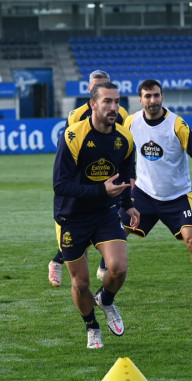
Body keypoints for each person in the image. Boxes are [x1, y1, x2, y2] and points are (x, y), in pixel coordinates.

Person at [120, 79, 192, 309]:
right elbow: (123, 152)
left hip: (177, 196)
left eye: (156, 95)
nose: (153, 100)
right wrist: (127, 180)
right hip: (144, 194)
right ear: (140, 99)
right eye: (148, 96)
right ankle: (106, 286)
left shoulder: (177, 124)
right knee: (116, 232)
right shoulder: (131, 122)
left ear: (162, 97)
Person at [53, 81, 140, 348]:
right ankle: (92, 326)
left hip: (104, 213)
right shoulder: (73, 137)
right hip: (72, 217)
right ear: (93, 104)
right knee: (81, 284)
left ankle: (106, 300)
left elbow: (124, 176)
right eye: (107, 102)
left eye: (117, 102)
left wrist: (127, 204)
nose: (114, 107)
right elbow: (61, 185)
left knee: (119, 268)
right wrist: (101, 190)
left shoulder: (124, 138)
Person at [48, 70, 130, 287]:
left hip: (106, 186)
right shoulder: (76, 117)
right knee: (80, 274)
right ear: (90, 93)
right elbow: (65, 153)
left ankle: (105, 268)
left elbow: (123, 147)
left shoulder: (120, 114)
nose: (112, 106)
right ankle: (58, 262)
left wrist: (127, 198)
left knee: (111, 237)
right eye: (98, 86)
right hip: (81, 186)